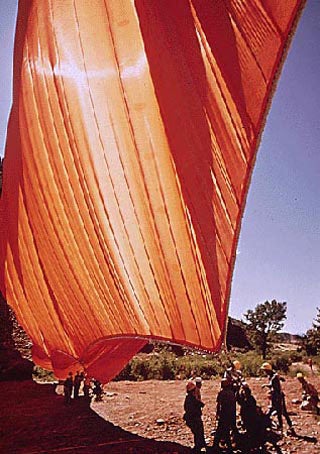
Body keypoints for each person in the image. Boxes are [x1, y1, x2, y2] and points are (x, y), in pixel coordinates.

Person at [260, 362, 294, 434]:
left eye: (265, 370)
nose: (264, 372)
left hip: (277, 397)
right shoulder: (273, 376)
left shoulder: (274, 377)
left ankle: (281, 428)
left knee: (279, 413)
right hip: (277, 397)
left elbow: (276, 389)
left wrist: (277, 399)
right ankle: (290, 427)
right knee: (283, 412)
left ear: (268, 370)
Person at [212, 378, 237, 452]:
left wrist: (217, 413)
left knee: (221, 430)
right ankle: (228, 446)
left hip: (224, 414)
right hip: (231, 414)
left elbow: (219, 404)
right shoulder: (232, 393)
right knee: (227, 429)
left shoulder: (222, 393)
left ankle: (218, 445)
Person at [183, 381, 206, 453]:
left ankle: (200, 445)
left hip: (192, 417)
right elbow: (199, 404)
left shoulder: (189, 398)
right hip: (194, 418)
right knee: (198, 432)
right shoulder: (191, 398)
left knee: (198, 432)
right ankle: (198, 447)